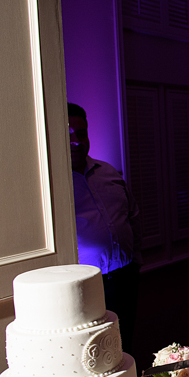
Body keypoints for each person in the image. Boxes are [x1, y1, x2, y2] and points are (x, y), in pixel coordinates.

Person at [68, 102, 142, 354]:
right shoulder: (55, 185)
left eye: (81, 133)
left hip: (125, 275)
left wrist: (136, 260)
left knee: (126, 339)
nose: (77, 141)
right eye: (69, 135)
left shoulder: (107, 171)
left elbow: (132, 214)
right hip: (89, 283)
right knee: (97, 349)